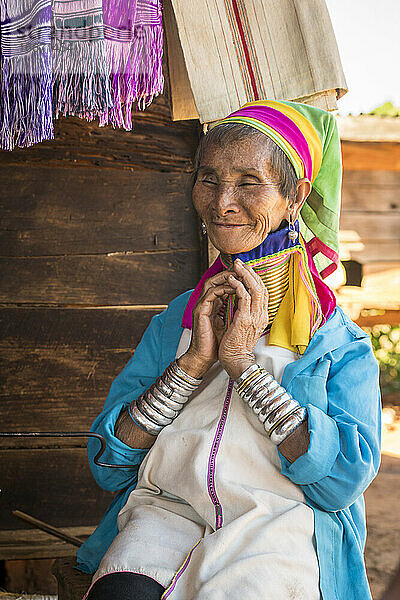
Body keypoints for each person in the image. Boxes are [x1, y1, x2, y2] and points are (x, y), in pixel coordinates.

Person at [78, 100, 381, 600]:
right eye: (209, 179)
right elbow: (108, 466)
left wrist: (245, 369)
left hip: (277, 526)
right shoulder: (178, 319)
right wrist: (194, 363)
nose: (222, 202)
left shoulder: (337, 344)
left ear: (295, 196)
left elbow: (339, 484)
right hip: (165, 512)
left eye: (248, 182)